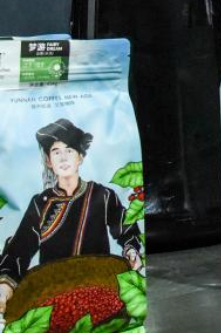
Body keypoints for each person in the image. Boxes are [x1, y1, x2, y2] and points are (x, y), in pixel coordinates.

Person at [0, 119, 143, 317]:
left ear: (80, 157)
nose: (63, 158)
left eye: (69, 150)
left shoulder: (102, 194)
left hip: (101, 289)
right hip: (54, 296)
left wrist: (132, 250)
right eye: (56, 152)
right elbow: (20, 249)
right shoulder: (40, 203)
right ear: (49, 161)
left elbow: (126, 230)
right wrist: (5, 284)